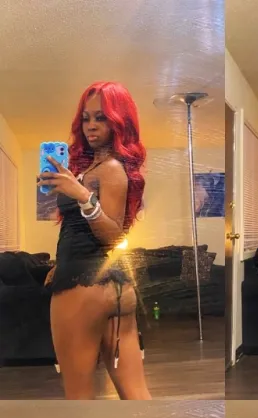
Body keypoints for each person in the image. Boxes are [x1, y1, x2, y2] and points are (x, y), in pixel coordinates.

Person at [38, 81, 150, 400]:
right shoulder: (96, 168)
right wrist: (60, 264)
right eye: (86, 118)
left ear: (119, 122)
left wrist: (83, 196)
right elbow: (79, 232)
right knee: (136, 393)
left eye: (101, 118)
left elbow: (114, 236)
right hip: (116, 290)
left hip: (82, 289)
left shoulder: (110, 168)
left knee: (79, 397)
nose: (90, 126)